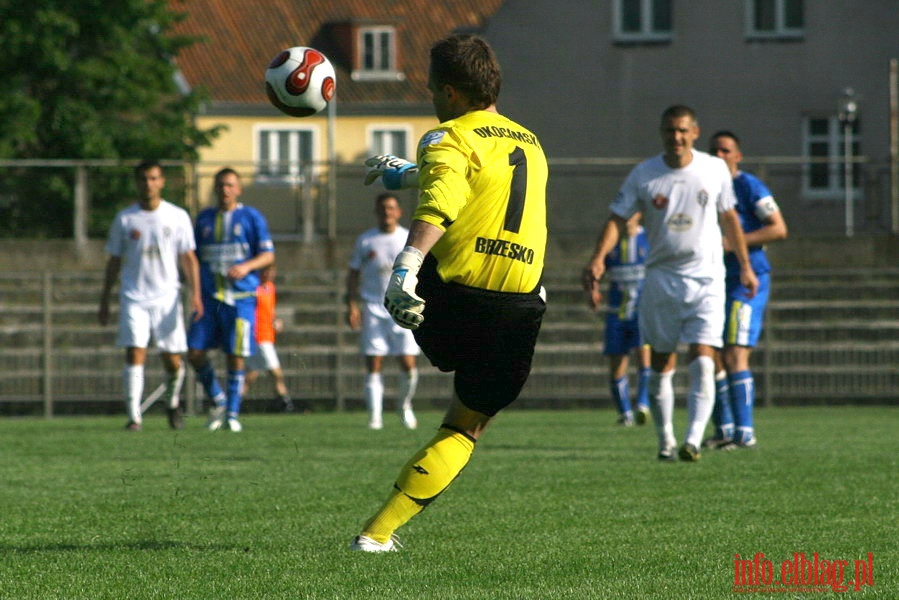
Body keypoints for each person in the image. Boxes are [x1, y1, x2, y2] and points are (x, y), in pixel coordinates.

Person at [349, 34, 548, 552]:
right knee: (465, 426)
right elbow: (476, 181)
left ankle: (376, 535)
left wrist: (405, 268)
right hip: (518, 307)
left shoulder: (446, 137)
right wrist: (411, 174)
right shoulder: (530, 142)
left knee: (460, 414)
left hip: (454, 297)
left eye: (435, 89)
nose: (432, 98)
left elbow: (442, 198)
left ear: (454, 94)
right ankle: (376, 535)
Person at [583, 105, 758, 462]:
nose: (675, 138)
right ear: (662, 133)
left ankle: (692, 440)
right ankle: (665, 440)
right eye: (669, 131)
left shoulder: (713, 169)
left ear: (694, 132)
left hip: (707, 278)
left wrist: (744, 265)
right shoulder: (645, 175)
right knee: (662, 361)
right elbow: (617, 218)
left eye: (682, 131)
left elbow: (730, 219)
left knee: (704, 357)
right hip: (661, 279)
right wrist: (598, 257)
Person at [98, 159, 202, 431]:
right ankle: (134, 417)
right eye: (144, 179)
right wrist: (105, 298)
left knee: (173, 360)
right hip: (134, 296)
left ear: (162, 182)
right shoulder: (125, 218)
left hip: (167, 296)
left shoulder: (176, 216)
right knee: (135, 353)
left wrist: (196, 294)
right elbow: (114, 261)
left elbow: (188, 257)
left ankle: (172, 401)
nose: (149, 184)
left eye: (154, 178)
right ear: (137, 182)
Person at [704, 131, 788, 449]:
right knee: (710, 355)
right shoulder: (705, 186)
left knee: (736, 353)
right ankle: (724, 430)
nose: (719, 155)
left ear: (738, 156)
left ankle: (745, 433)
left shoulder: (749, 186)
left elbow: (779, 228)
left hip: (746, 281)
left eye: (726, 150)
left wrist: (732, 244)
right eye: (714, 151)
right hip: (712, 280)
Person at [187, 167, 275, 432]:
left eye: (230, 185)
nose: (225, 190)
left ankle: (233, 414)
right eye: (221, 185)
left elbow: (268, 255)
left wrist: (247, 267)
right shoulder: (203, 219)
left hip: (241, 298)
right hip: (209, 297)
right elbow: (193, 257)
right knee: (194, 351)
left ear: (238, 189)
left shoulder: (251, 217)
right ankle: (218, 398)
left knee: (235, 354)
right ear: (214, 188)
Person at [346, 192, 420, 430]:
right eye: (383, 208)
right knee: (373, 361)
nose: (387, 212)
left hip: (401, 307)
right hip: (372, 306)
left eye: (391, 208)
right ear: (377, 211)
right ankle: (375, 417)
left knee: (408, 362)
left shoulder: (408, 238)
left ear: (398, 212)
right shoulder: (366, 241)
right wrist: (351, 305)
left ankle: (404, 406)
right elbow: (353, 273)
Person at [587, 212, 651, 426]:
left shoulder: (648, 240)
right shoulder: (611, 244)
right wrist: (593, 290)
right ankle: (625, 414)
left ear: (639, 216)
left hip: (642, 311)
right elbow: (595, 270)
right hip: (616, 312)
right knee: (617, 364)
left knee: (645, 356)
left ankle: (642, 405)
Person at [243, 262, 295, 413]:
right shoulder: (254, 288)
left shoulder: (270, 288)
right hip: (259, 336)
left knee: (252, 374)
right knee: (276, 372)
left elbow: (270, 311)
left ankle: (233, 404)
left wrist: (276, 320)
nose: (270, 274)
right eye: (267, 271)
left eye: (272, 271)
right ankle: (285, 403)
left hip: (267, 335)